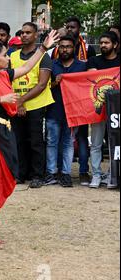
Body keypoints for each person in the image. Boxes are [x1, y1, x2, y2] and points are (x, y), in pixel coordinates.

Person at [0, 30, 59, 246]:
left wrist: (44, 48)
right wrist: (1, 98)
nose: (9, 58)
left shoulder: (3, 74)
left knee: (6, 180)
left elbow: (28, 67)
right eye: (5, 55)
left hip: (4, 134)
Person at [11, 22, 55, 188]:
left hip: (36, 105)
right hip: (16, 104)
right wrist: (18, 102)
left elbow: (42, 84)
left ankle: (38, 175)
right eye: (22, 33)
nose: (24, 35)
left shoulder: (44, 56)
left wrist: (23, 100)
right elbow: (7, 79)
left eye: (28, 32)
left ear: (36, 35)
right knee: (18, 141)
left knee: (36, 141)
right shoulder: (13, 55)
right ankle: (20, 174)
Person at [44, 35, 87, 187]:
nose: (65, 49)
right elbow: (43, 87)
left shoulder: (82, 66)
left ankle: (66, 174)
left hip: (73, 112)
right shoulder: (51, 65)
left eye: (68, 46)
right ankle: (51, 172)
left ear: (74, 47)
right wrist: (55, 83)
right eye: (62, 46)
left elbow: (86, 88)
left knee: (68, 143)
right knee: (51, 142)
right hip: (54, 110)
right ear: (58, 48)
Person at [87, 31, 120, 189]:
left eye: (106, 43)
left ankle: (113, 174)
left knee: (117, 144)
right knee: (96, 144)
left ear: (115, 45)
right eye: (101, 43)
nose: (103, 45)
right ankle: (96, 175)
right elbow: (87, 78)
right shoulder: (93, 60)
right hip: (97, 109)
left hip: (117, 110)